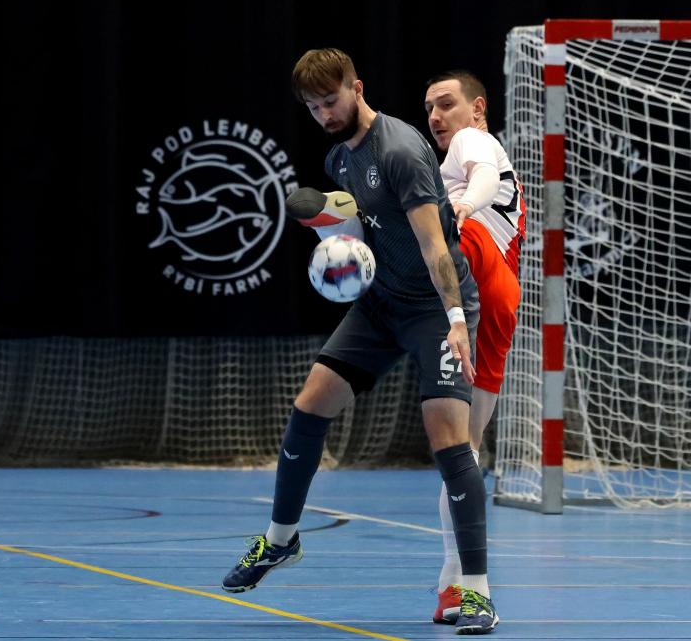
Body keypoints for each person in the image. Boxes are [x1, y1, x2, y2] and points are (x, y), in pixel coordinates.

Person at [221, 48, 499, 635]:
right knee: (309, 404)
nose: (324, 114)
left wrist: (455, 317)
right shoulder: (338, 158)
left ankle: (476, 590)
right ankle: (281, 539)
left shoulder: (398, 151)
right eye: (313, 107)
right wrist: (329, 229)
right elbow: (362, 228)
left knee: (450, 440)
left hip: (434, 308)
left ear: (358, 88)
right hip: (380, 304)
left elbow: (434, 246)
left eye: (331, 101)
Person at [423, 71, 526, 624]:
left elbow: (483, 178)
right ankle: (455, 584)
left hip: (479, 262)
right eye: (429, 108)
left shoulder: (473, 142)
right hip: (491, 305)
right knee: (465, 452)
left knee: (458, 452)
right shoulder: (438, 174)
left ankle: (461, 582)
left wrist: (462, 211)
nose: (436, 116)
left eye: (446, 103)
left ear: (477, 108)